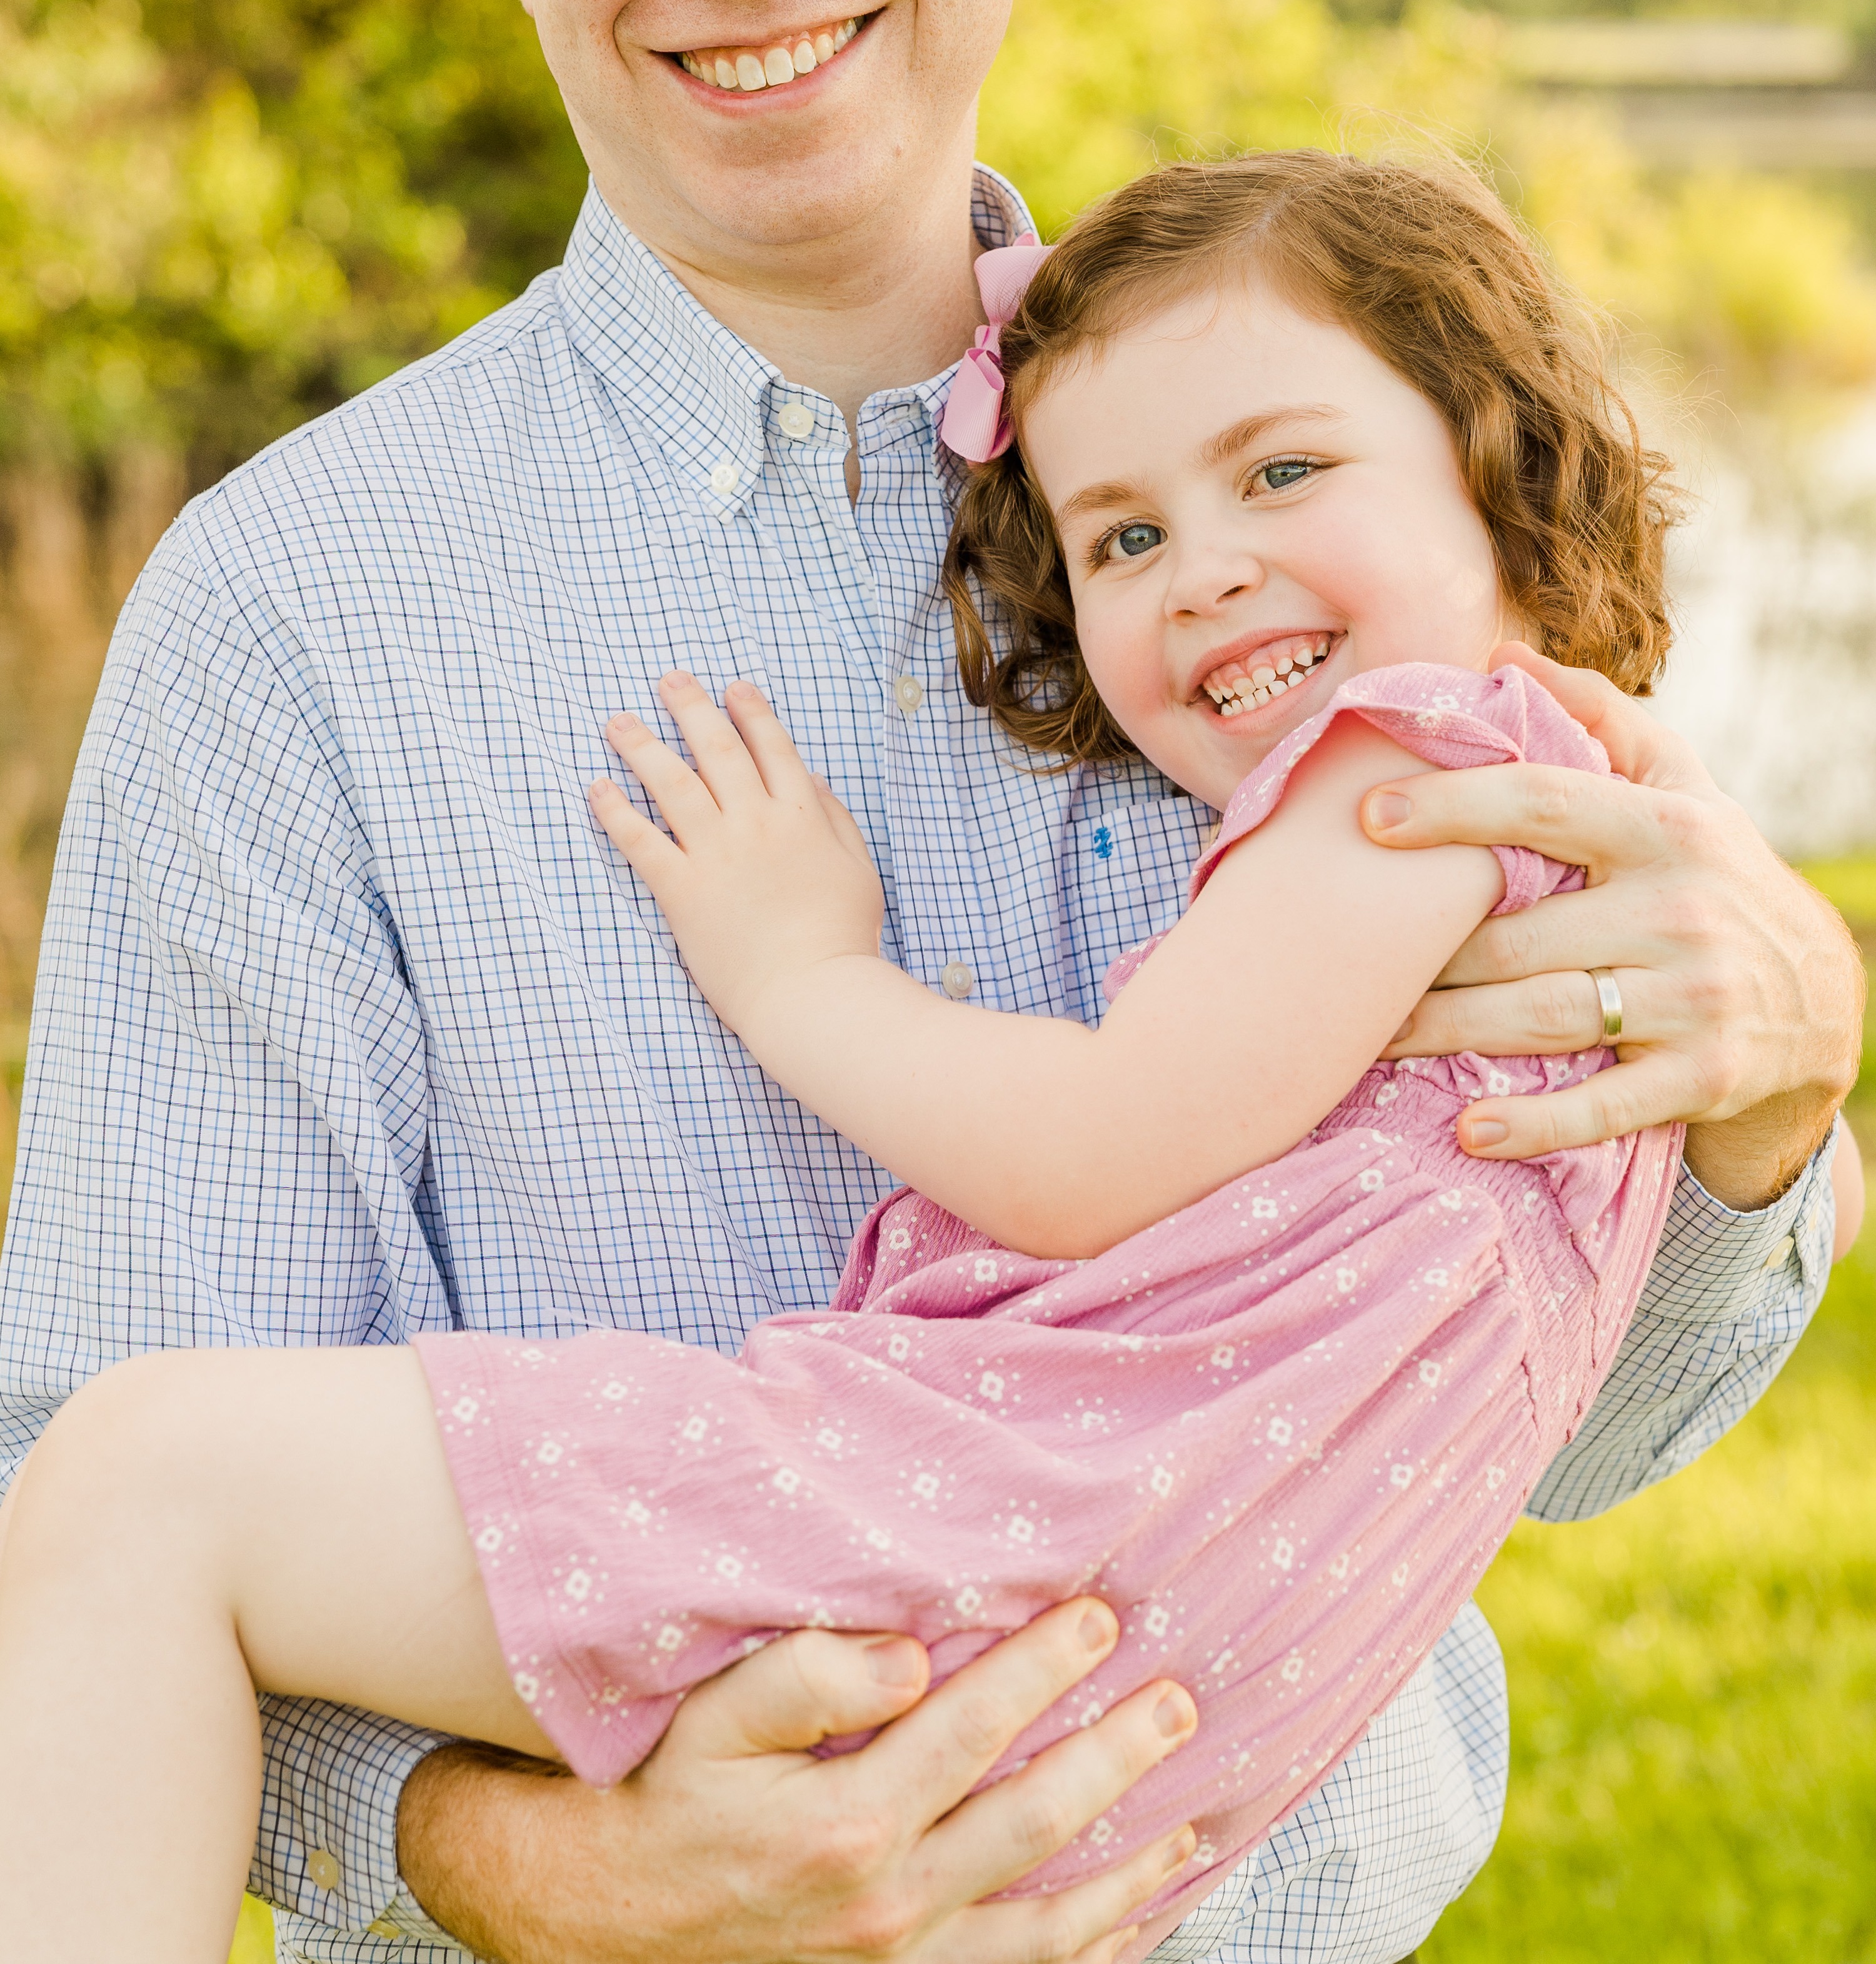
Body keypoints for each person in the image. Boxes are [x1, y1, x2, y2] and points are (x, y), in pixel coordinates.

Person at [0, 0, 1857, 1964]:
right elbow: (68, 1493)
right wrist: (526, 1867)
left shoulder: (1311, 532)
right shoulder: (289, 615)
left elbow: (1543, 1442)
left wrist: (1766, 1096)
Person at [0, 148, 1704, 1964]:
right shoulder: (1605, 829)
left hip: (993, 1545)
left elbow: (1094, 1154)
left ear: (1495, 466)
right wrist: (501, 1860)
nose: (1204, 576)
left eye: (1282, 472)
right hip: (1116, 1672)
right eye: (1120, 538)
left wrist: (797, 971)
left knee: (133, 1489)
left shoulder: (1407, 775)